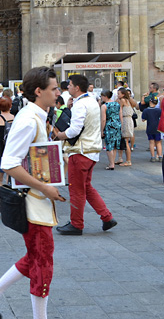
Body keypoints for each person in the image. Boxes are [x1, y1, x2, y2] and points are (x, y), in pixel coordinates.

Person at [0, 67, 65, 319]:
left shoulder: (34, 116)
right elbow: (9, 163)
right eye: (54, 88)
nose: (58, 93)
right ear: (39, 91)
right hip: (32, 202)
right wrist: (45, 187)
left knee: (37, 257)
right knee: (42, 263)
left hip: (37, 200)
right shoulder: (28, 119)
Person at [54, 74, 116, 235]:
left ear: (77, 87)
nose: (68, 87)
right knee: (86, 187)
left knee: (76, 189)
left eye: (70, 85)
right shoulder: (92, 101)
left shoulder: (81, 104)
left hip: (80, 151)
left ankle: (77, 224)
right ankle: (107, 217)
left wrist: (60, 135)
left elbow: (74, 129)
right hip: (91, 150)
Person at [100, 90, 122, 170]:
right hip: (117, 124)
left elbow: (103, 119)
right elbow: (120, 115)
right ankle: (113, 161)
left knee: (109, 145)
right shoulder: (117, 104)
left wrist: (102, 130)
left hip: (109, 125)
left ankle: (111, 164)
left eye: (102, 96)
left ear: (105, 96)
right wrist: (121, 125)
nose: (101, 98)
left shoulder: (104, 106)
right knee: (115, 145)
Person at [117, 87, 137, 166]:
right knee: (123, 140)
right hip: (129, 120)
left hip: (125, 120)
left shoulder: (122, 100)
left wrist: (121, 122)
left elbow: (120, 111)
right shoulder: (129, 100)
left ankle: (128, 160)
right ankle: (121, 158)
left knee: (125, 141)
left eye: (119, 94)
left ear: (123, 94)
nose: (118, 95)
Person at [142, 98, 163, 162]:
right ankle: (160, 156)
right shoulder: (159, 110)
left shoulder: (146, 110)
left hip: (150, 128)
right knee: (158, 142)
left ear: (150, 102)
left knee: (151, 142)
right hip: (158, 128)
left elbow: (143, 119)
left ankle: (153, 157)